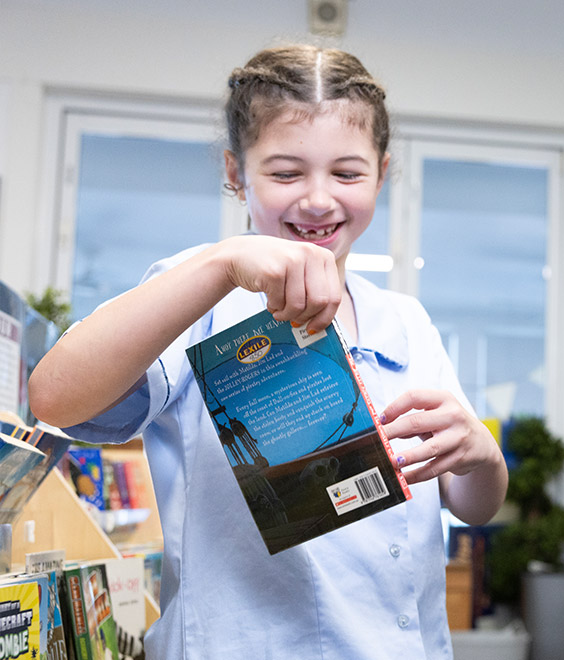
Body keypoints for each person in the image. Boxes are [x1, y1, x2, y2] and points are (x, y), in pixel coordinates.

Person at [28, 44, 508, 659]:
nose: (317, 199)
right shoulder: (198, 293)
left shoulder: (405, 321)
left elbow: (473, 504)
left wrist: (481, 457)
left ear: (382, 174)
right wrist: (222, 263)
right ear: (235, 172)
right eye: (285, 173)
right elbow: (56, 398)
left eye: (348, 173)